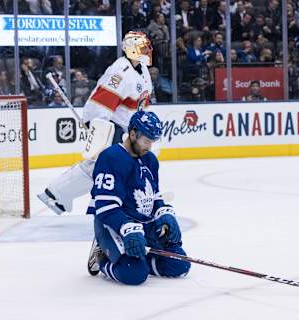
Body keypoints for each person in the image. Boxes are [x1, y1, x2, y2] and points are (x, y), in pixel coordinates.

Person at [37, 31, 153, 215]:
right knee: (102, 167)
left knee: (111, 167)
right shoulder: (120, 72)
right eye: (142, 47)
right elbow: (100, 103)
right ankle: (57, 194)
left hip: (129, 129)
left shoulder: (142, 70)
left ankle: (60, 194)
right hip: (114, 127)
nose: (147, 50)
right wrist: (99, 130)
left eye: (147, 46)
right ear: (131, 49)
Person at [87, 110, 191, 285]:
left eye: (152, 141)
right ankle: (101, 257)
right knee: (134, 274)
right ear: (133, 133)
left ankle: (141, 258)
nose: (149, 146)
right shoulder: (111, 157)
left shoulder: (150, 160)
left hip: (143, 226)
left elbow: (153, 194)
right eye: (146, 141)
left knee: (179, 264)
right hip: (113, 224)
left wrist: (164, 212)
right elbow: (105, 207)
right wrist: (127, 228)